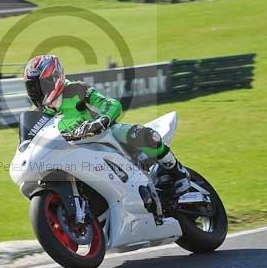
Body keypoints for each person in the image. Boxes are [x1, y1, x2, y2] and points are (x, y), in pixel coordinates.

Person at [23, 54, 190, 194]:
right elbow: (30, 140)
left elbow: (111, 104)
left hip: (102, 135)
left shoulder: (77, 90)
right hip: (69, 151)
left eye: (40, 85)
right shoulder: (37, 113)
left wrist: (101, 121)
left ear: (55, 79)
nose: (36, 92)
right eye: (32, 87)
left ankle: (177, 171)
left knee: (143, 135)